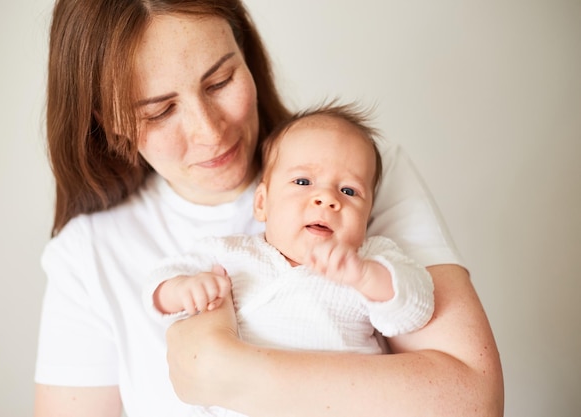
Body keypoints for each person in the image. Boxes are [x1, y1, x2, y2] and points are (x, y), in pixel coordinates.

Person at [34, 1, 504, 416]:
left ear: (247, 56)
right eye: (159, 111)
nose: (210, 132)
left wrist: (226, 370)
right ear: (108, 120)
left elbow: (472, 402)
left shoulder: (353, 174)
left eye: (220, 80)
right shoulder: (88, 254)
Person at [144, 103, 434, 361]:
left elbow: (416, 310)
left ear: (368, 215)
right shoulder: (230, 254)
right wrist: (181, 289)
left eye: (348, 190)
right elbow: (157, 285)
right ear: (261, 203)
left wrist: (366, 276)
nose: (327, 199)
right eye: (303, 181)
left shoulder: (370, 259)